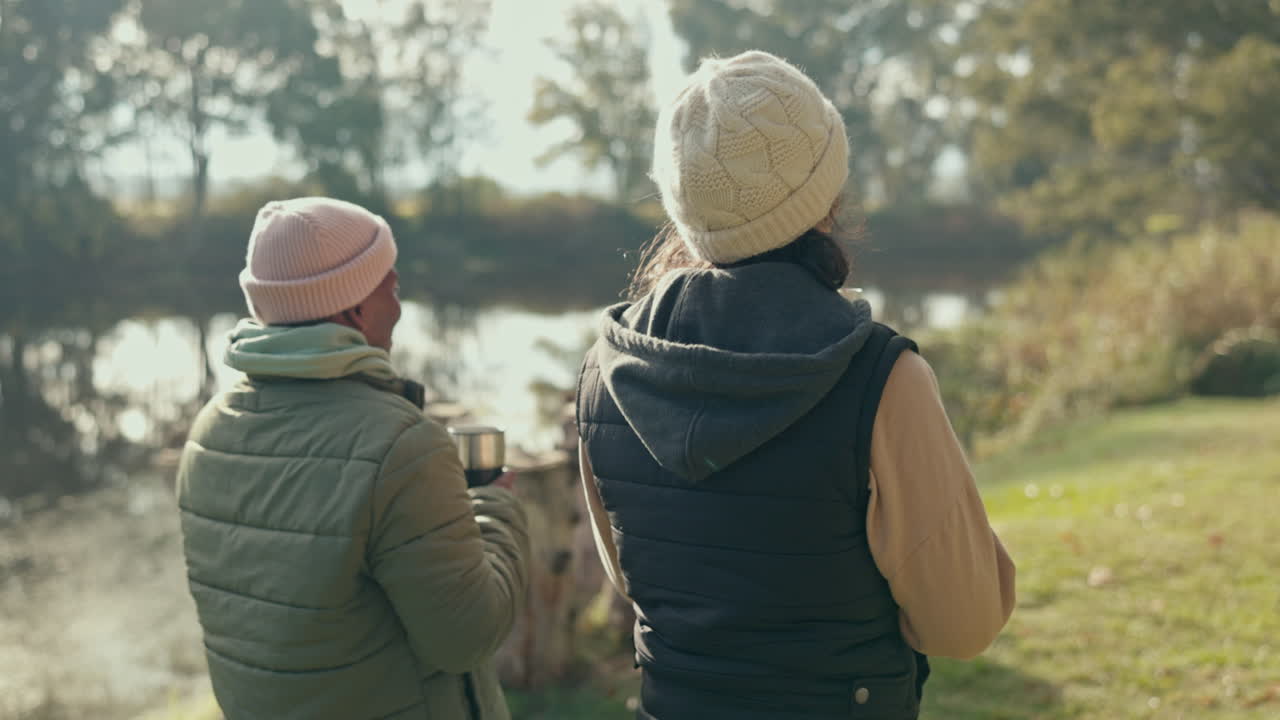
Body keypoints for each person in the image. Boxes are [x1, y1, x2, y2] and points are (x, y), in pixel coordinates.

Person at [575, 51, 1016, 719]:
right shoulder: (881, 377)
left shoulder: (606, 371)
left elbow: (635, 579)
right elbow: (963, 624)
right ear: (825, 196)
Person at [176, 197, 529, 720]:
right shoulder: (400, 444)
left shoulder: (210, 429)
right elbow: (467, 638)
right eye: (393, 286)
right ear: (353, 308)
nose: (400, 306)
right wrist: (495, 511)